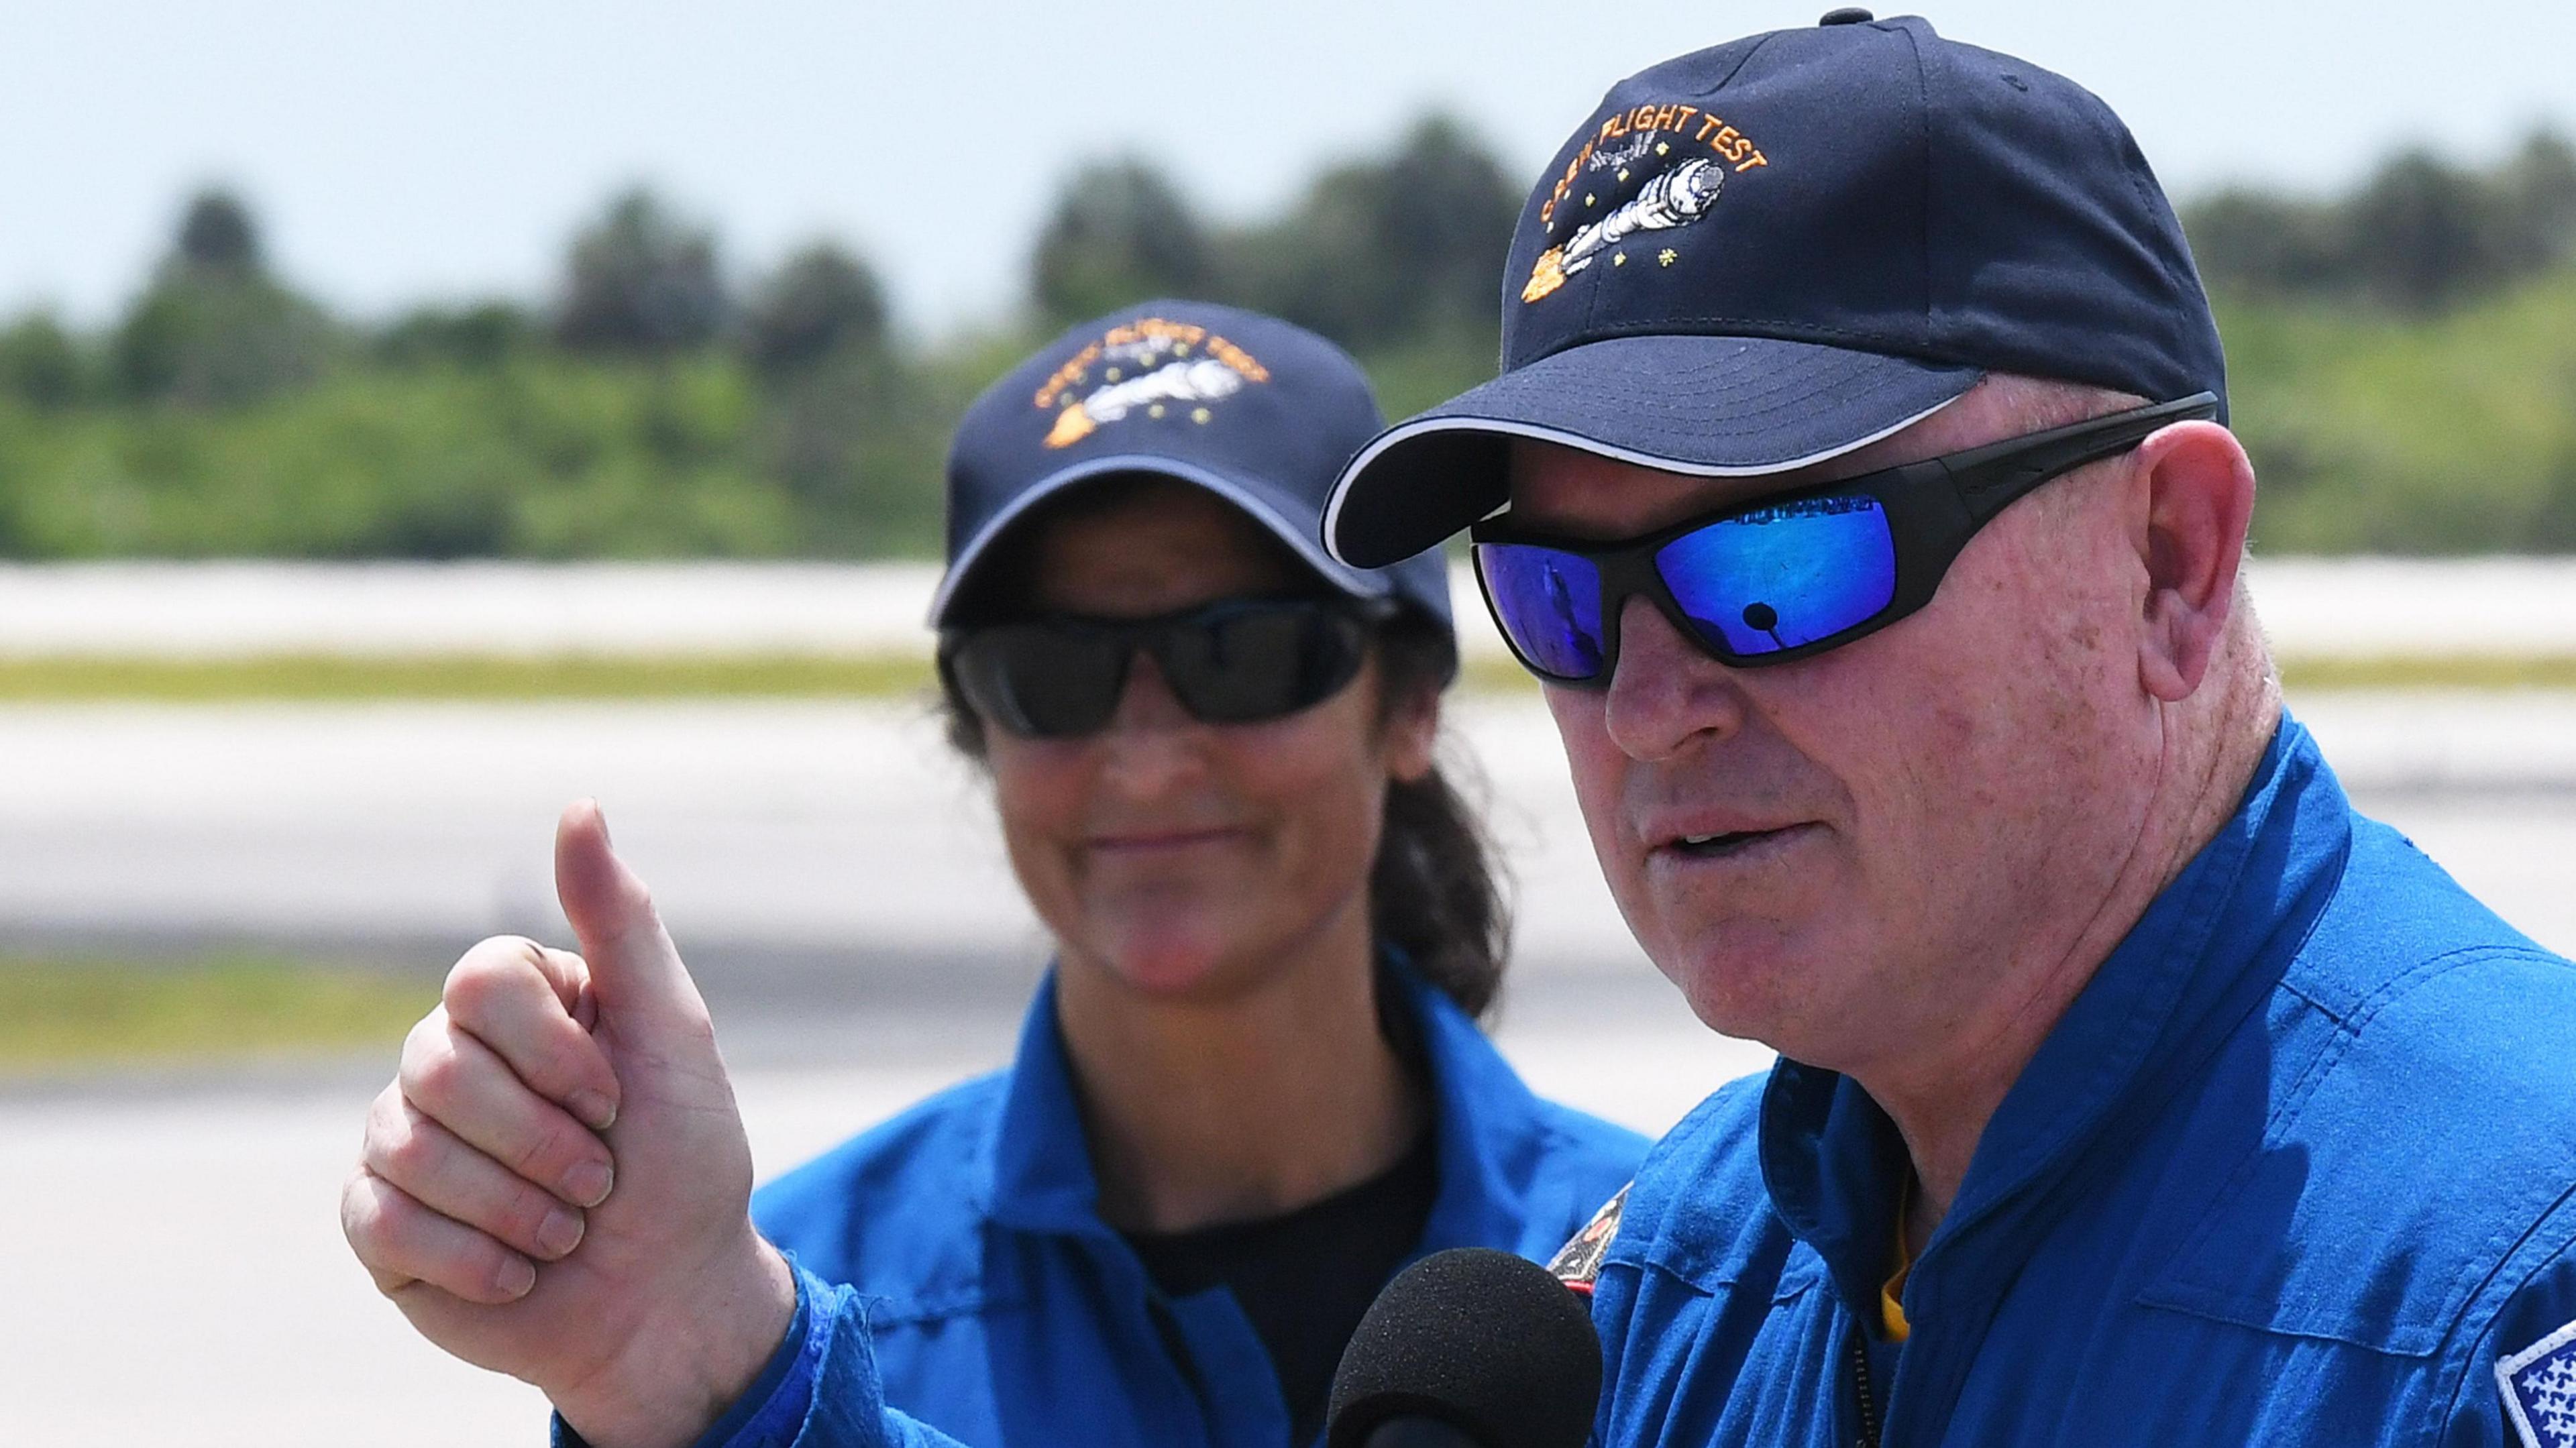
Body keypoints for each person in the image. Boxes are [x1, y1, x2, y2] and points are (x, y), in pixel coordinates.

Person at [1313, 13, 2576, 1447]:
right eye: (1556, 597)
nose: (1650, 711)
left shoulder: (2511, 1287)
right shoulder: (1675, 1282)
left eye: (1778, 566)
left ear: (2170, 560)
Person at [337, 300, 1646, 1448]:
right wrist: (675, 1380)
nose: (1144, 759)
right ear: (979, 733)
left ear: (1412, 701)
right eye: (1053, 674)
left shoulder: (1680, 1270)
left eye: (1242, 654)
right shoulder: (757, 1303)